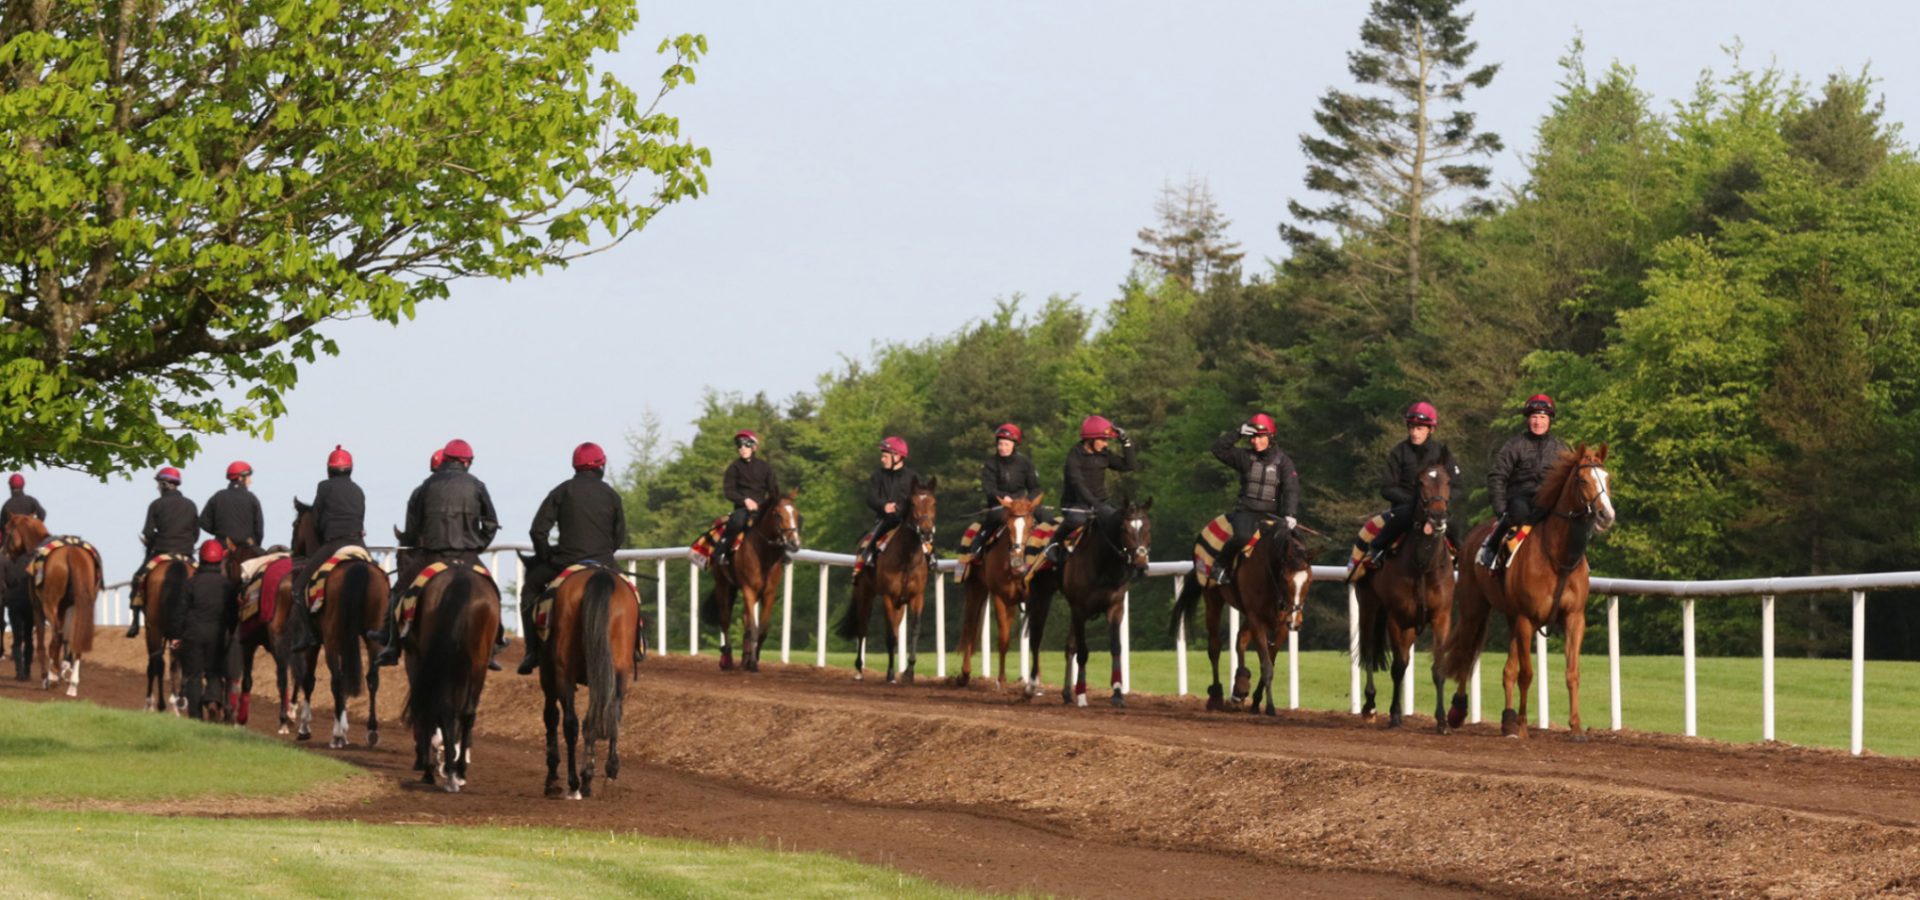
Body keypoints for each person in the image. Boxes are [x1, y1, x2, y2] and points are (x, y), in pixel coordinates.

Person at [371, 439, 501, 667]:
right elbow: (491, 524)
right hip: (469, 555)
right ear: (467, 462)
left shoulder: (424, 488)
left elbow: (411, 530)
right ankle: (494, 644)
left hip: (432, 556)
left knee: (398, 591)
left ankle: (391, 643)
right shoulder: (478, 485)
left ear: (445, 460)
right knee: (493, 592)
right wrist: (477, 544)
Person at [517, 442, 628, 675]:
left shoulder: (561, 491)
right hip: (604, 562)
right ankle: (636, 646)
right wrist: (603, 553)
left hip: (565, 562)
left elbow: (538, 532)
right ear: (601, 466)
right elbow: (619, 536)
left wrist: (546, 555)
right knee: (629, 594)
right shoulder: (611, 494)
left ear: (575, 466)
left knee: (530, 588)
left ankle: (532, 651)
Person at [1356, 402, 1461, 568]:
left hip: (1436, 508)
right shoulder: (1399, 452)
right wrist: (1413, 501)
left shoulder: (1442, 453)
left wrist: (1440, 502)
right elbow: (1387, 488)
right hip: (1405, 509)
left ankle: (1461, 559)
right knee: (1403, 517)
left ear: (1431, 430)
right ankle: (1376, 550)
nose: (1414, 433)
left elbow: (1456, 486)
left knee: (1453, 525)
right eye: (1411, 427)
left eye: (1419, 428)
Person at [286, 446, 366, 653]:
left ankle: (310, 635)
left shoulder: (323, 487)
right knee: (382, 580)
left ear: (329, 470)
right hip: (358, 544)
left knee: (298, 588)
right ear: (350, 469)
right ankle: (381, 632)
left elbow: (318, 520)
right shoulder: (358, 489)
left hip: (333, 544)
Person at [1481, 394, 1572, 568]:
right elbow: (1497, 477)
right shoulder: (1514, 445)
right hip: (1520, 501)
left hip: (1549, 502)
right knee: (1519, 511)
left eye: (1543, 417)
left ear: (1550, 420)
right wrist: (1500, 510)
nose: (1538, 422)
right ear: (1528, 420)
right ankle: (1491, 551)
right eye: (1534, 417)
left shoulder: (1561, 448)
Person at [1207, 413, 1299, 585]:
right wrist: (1237, 432)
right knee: (1242, 537)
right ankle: (1219, 566)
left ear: (1270, 437)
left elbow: (1291, 489)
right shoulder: (1244, 457)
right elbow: (1218, 449)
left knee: (1294, 542)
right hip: (1246, 512)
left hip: (1272, 515)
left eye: (1260, 437)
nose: (1255, 442)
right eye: (1253, 438)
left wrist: (1290, 514)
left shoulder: (1285, 463)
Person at [1044, 415, 1137, 564]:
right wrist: (1095, 504)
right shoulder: (1074, 456)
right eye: (1103, 440)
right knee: (1077, 520)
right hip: (1076, 505)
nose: (1106, 444)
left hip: (1099, 504)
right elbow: (1078, 484)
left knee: (1120, 522)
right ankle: (1053, 543)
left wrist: (1126, 442)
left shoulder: (1104, 455)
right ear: (1090, 440)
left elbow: (1129, 466)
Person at [127, 467, 199, 638]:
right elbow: (196, 534)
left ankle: (135, 620)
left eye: (159, 484)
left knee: (138, 578)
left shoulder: (156, 505)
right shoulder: (191, 505)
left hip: (161, 552)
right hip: (186, 553)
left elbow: (148, 532)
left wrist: (155, 540)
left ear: (164, 484)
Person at [173, 540, 236, 721]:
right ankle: (213, 701)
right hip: (218, 634)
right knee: (215, 672)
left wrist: (177, 635)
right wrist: (230, 632)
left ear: (201, 558)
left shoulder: (191, 583)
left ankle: (195, 716)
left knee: (194, 676)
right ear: (220, 560)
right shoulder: (227, 586)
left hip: (193, 635)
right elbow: (233, 614)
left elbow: (180, 612)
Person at [963, 423, 1040, 560]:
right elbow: (989, 487)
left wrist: (1028, 501)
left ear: (1014, 445)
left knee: (1046, 516)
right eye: (1000, 444)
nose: (1002, 448)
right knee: (994, 518)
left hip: (1022, 505)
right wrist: (1004, 497)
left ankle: (1051, 550)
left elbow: (1035, 487)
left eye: (1006, 444)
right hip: (1000, 505)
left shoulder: (1025, 462)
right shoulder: (990, 463)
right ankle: (976, 548)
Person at [716, 430, 778, 570]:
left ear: (754, 447)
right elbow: (729, 491)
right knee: (737, 521)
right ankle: (721, 552)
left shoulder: (765, 467)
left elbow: (773, 489)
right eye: (739, 446)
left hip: (762, 508)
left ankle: (784, 551)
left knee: (782, 520)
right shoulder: (733, 468)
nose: (742, 449)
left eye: (746, 445)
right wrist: (745, 500)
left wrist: (771, 504)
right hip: (742, 509)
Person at [1, 473, 45, 671]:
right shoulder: (32, 501)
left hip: (10, 551)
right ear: (23, 485)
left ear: (10, 487)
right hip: (34, 546)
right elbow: (43, 515)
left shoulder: (7, 506)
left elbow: (2, 530)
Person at [858, 436, 917, 568]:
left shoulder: (912, 477)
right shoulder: (877, 476)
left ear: (896, 456)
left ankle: (931, 560)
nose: (882, 459)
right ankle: (867, 558)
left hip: (908, 521)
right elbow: (871, 498)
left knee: (924, 539)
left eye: (885, 456)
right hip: (885, 521)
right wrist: (883, 506)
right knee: (867, 546)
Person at [199, 460, 264, 550]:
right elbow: (259, 529)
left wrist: (220, 533)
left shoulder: (218, 496)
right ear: (241, 478)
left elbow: (203, 522)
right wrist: (255, 545)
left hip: (222, 549)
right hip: (247, 550)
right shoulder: (252, 498)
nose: (250, 481)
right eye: (249, 477)